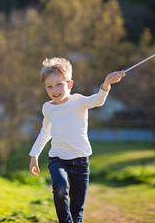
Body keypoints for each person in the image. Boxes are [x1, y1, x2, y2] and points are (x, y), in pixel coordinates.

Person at [29, 57, 125, 223]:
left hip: (80, 163)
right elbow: (45, 132)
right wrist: (33, 156)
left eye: (59, 84)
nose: (54, 89)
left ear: (70, 84)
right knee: (59, 187)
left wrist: (106, 84)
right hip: (58, 160)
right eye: (49, 86)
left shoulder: (78, 101)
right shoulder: (48, 108)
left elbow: (98, 100)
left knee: (77, 214)